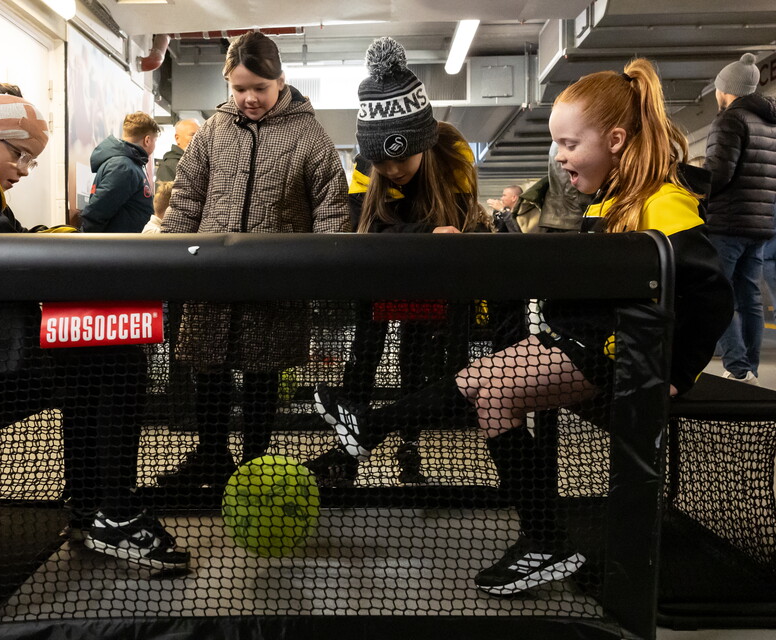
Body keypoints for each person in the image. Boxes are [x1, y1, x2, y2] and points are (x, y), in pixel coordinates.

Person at [313, 58, 732, 596]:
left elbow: (712, 289)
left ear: (617, 140)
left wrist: (676, 369)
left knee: (492, 381)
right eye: (557, 144)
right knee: (489, 392)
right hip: (581, 346)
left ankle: (370, 428)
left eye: (568, 144)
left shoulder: (662, 200)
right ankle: (544, 539)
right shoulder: (608, 199)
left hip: (624, 360)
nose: (558, 156)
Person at [0, 92, 189, 570]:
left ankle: (94, 508)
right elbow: (6, 252)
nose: (22, 168)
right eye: (17, 154)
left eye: (30, 159)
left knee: (102, 356)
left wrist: (58, 239)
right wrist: (64, 242)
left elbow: (10, 243)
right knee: (116, 361)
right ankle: (110, 512)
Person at [156, 31, 351, 487]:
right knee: (210, 371)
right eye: (238, 88)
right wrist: (168, 256)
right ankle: (211, 455)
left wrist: (322, 271)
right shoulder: (212, 131)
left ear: (280, 80)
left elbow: (331, 206)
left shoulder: (309, 133)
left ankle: (256, 466)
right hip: (210, 279)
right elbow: (187, 198)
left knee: (263, 376)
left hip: (275, 284)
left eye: (259, 88)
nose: (248, 98)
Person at [305, 37, 492, 487]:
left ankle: (408, 443)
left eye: (401, 158)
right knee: (364, 355)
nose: (389, 170)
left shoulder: (455, 152)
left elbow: (462, 226)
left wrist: (424, 239)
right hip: (382, 268)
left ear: (424, 142)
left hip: (435, 276)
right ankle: (346, 456)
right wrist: (423, 236)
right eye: (379, 162)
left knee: (418, 357)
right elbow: (358, 227)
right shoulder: (367, 166)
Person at [703, 54, 776, 384]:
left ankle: (737, 365)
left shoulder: (729, 121)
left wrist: (687, 180)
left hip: (727, 224)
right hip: (760, 224)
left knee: (713, 293)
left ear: (725, 89)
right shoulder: (768, 123)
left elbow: (718, 175)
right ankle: (750, 369)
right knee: (750, 299)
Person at [80, 112, 161, 233]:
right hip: (118, 248)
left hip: (122, 246)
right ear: (147, 140)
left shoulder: (128, 165)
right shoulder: (124, 167)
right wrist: (86, 243)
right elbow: (98, 211)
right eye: (155, 141)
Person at [495, 142, 593, 234]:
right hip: (572, 217)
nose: (501, 198)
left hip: (558, 217)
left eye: (504, 195)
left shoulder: (560, 142)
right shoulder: (569, 141)